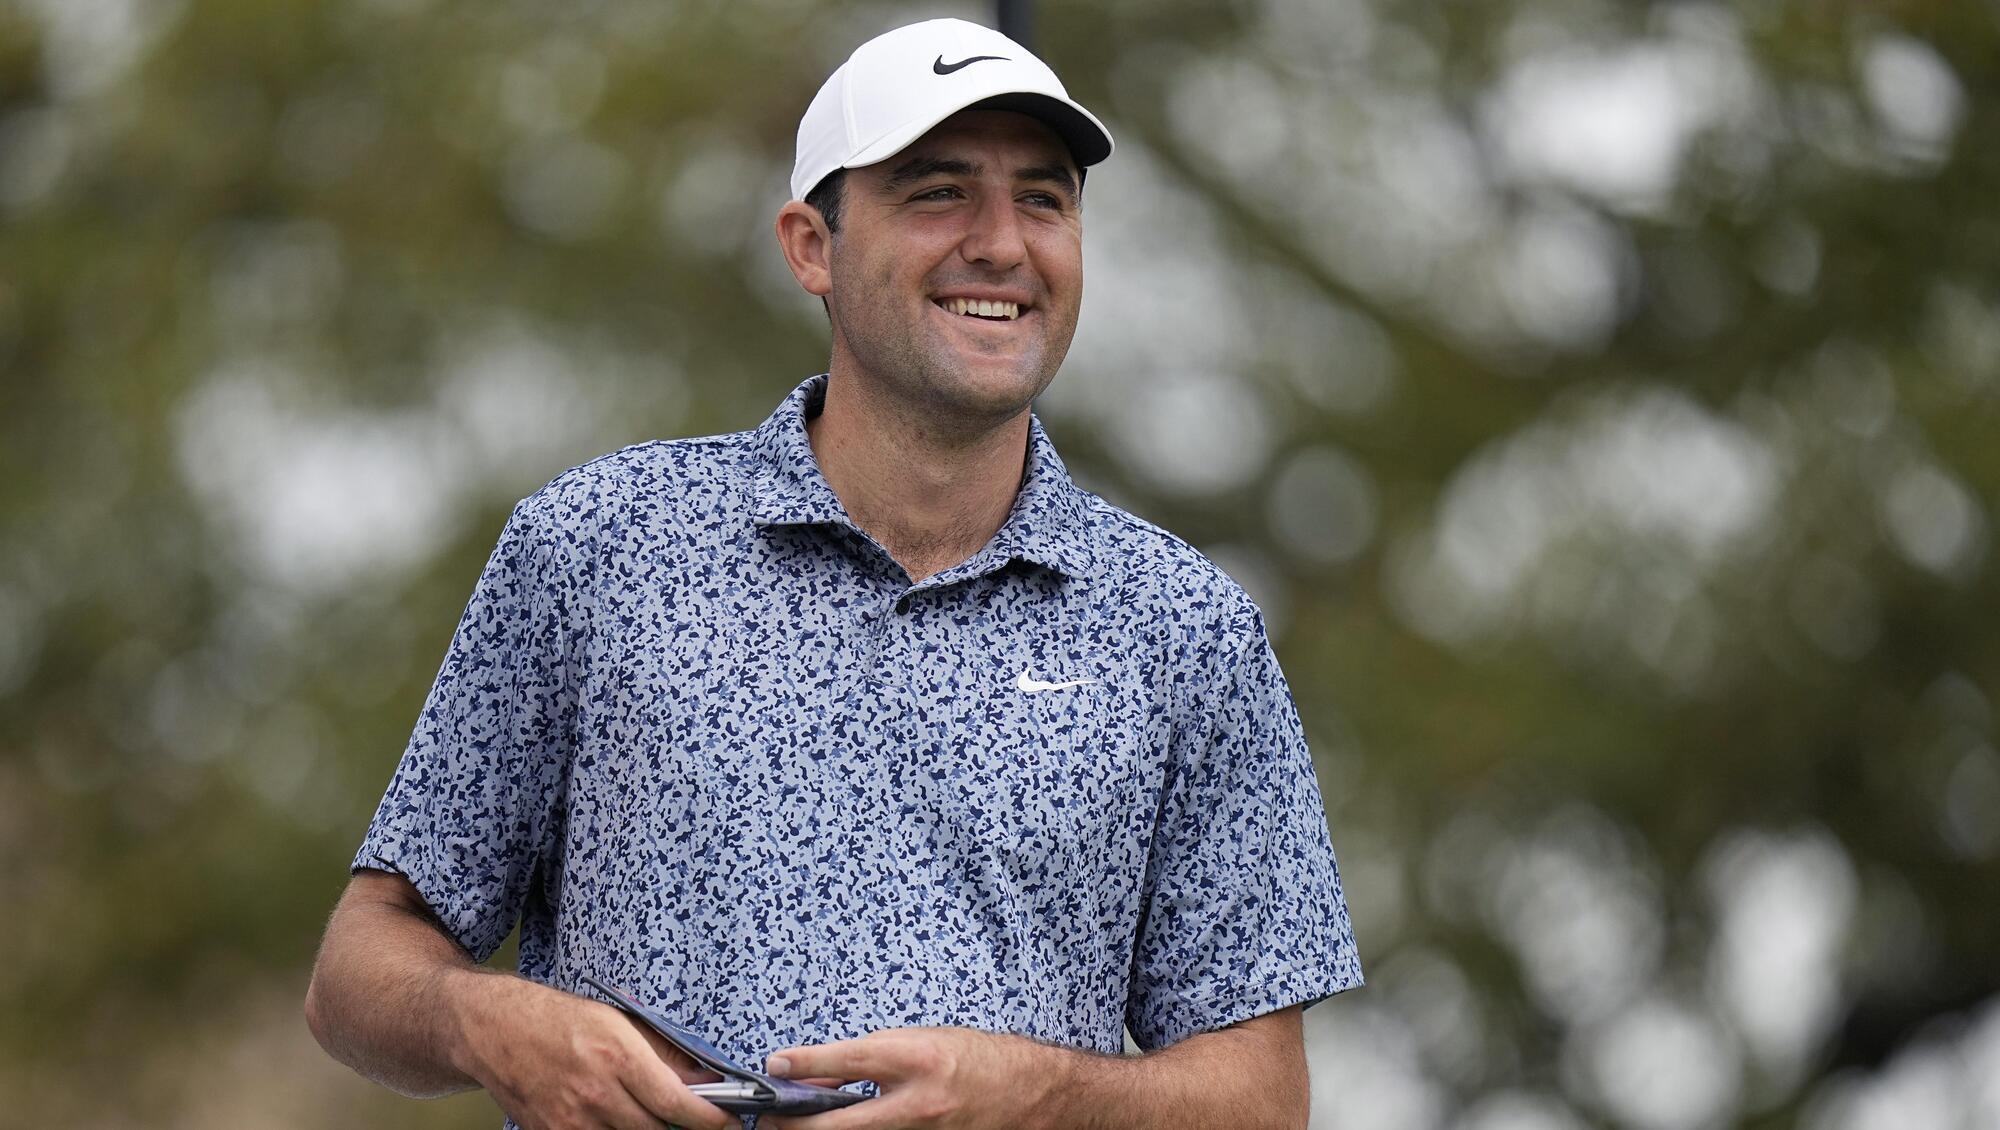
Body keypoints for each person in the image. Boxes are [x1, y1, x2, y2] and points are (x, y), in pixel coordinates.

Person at [305, 17, 1362, 1130]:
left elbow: (1263, 1098)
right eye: (939, 193)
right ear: (811, 245)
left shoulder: (1185, 627)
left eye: (1043, 199)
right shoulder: (598, 546)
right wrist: (489, 1022)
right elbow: (358, 969)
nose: (1003, 244)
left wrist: (1040, 1095)